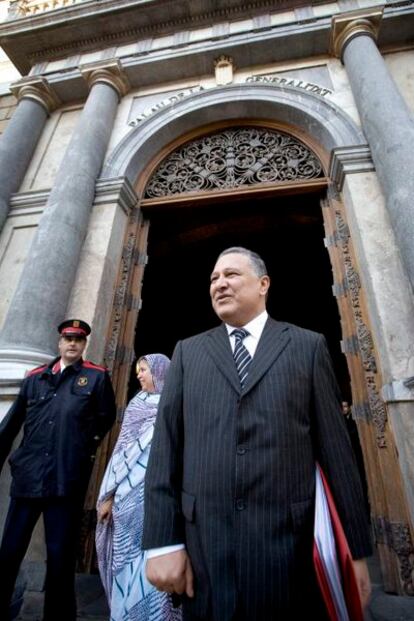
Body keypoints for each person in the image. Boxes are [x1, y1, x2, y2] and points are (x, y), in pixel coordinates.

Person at [142, 247, 372, 621]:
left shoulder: (306, 346)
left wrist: (355, 553)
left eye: (231, 275)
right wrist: (160, 543)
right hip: (205, 551)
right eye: (214, 278)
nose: (219, 284)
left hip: (288, 552)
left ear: (263, 284)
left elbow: (336, 453)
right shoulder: (189, 352)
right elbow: (166, 448)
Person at [0, 319, 116, 621]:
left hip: (66, 480)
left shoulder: (96, 377)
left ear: (84, 344)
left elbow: (105, 418)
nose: (72, 344)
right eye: (68, 339)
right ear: (59, 342)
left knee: (60, 557)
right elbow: (11, 424)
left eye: (78, 339)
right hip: (28, 478)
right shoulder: (35, 378)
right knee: (9, 551)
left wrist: (81, 450)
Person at [96, 353, 181, 621]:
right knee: (125, 563)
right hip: (127, 500)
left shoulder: (177, 405)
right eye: (137, 372)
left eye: (144, 370)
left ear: (159, 372)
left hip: (160, 499)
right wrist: (108, 496)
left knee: (156, 558)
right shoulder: (136, 405)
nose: (140, 375)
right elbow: (121, 452)